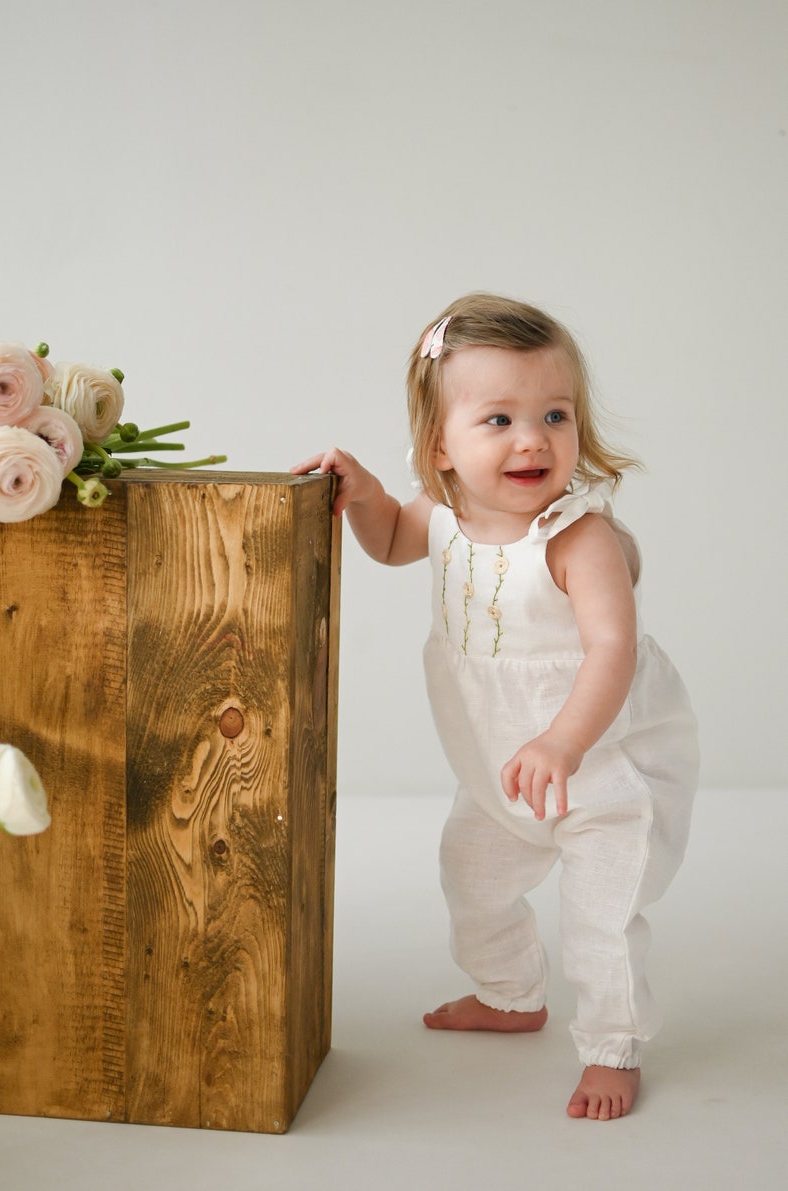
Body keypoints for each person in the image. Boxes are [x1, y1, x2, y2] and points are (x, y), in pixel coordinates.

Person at [292, 292, 698, 1122]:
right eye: (500, 418)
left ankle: (612, 1047)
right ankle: (512, 995)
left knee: (602, 918)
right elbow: (392, 544)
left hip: (602, 762)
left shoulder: (575, 535)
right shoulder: (442, 513)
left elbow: (613, 649)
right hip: (498, 766)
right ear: (438, 444)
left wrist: (564, 741)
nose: (533, 438)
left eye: (555, 413)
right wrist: (365, 493)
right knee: (470, 878)